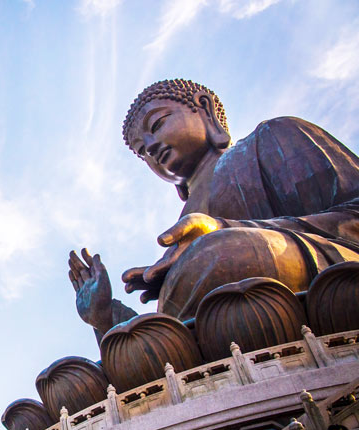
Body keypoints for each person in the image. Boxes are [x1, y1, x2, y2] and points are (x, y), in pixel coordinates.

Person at [69, 79, 359, 343]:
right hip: (216, 333)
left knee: (217, 255)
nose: (152, 147)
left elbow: (353, 220)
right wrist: (106, 316)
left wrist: (222, 230)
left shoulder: (273, 137)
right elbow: (175, 331)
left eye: (157, 125)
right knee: (73, 377)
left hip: (324, 288)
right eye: (141, 150)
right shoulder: (184, 224)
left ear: (205, 110)